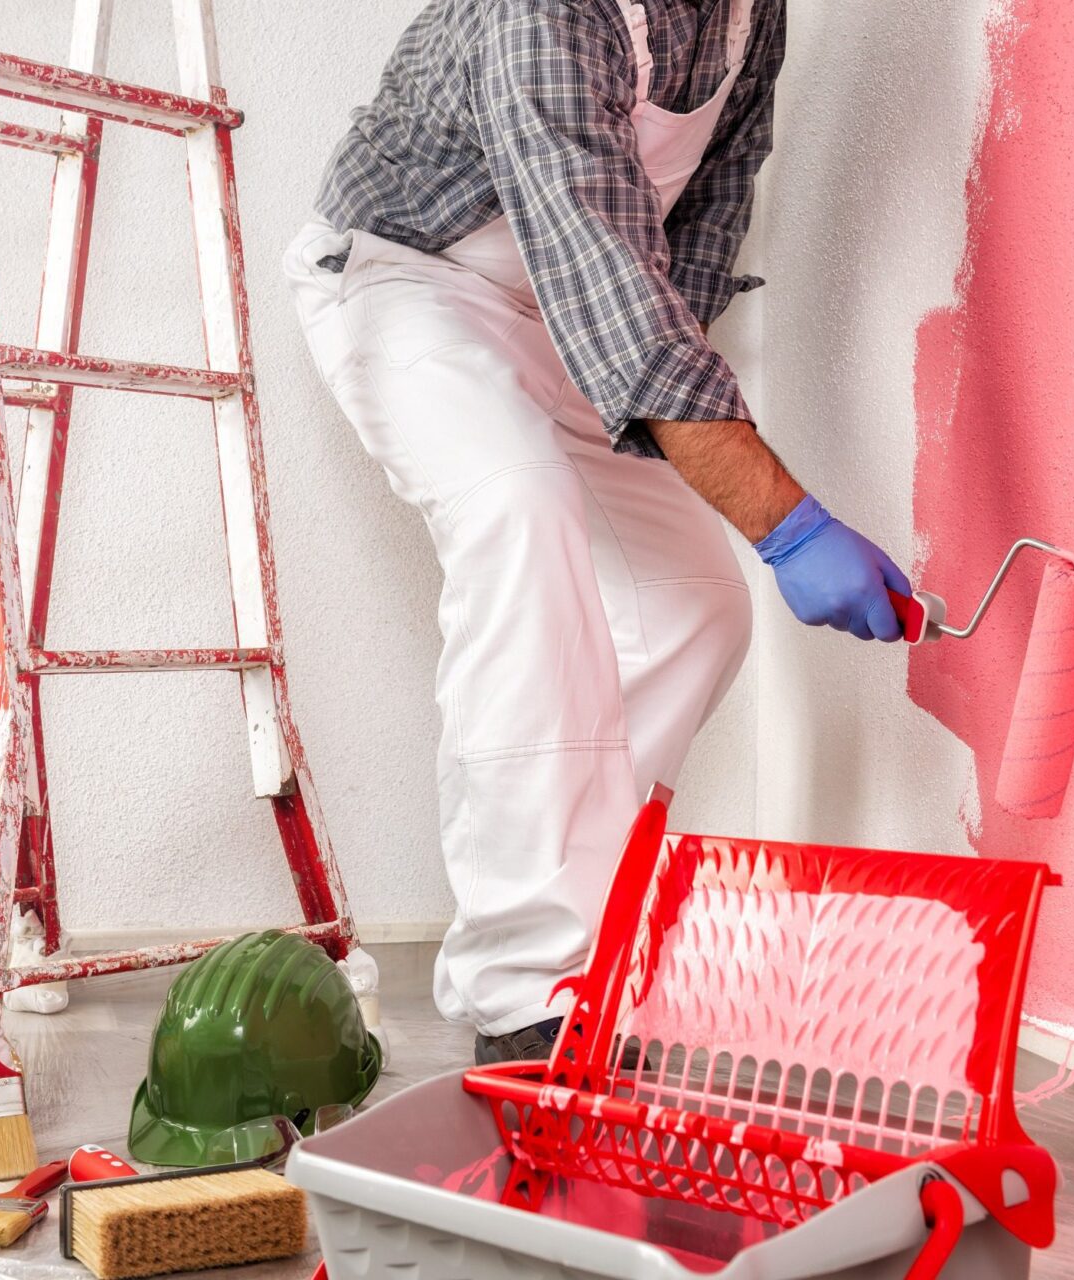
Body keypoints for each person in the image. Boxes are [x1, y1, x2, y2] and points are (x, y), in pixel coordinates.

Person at [286, 0, 910, 1064]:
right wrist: (789, 522)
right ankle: (523, 995)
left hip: (574, 321)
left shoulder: (753, 18)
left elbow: (702, 227)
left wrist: (700, 442)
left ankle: (588, 932)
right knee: (519, 511)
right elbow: (606, 269)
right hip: (412, 279)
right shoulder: (550, 9)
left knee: (696, 608)